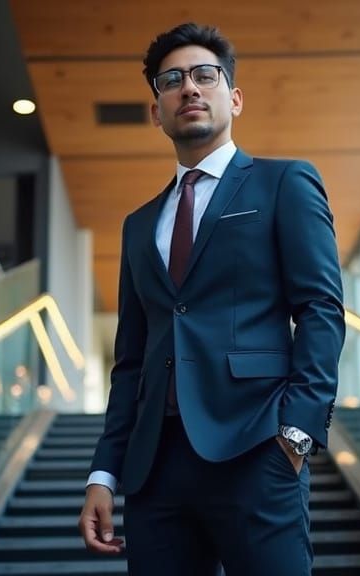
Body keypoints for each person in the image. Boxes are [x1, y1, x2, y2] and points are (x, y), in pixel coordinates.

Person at [77, 22, 345, 576]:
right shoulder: (138, 226)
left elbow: (321, 310)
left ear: (234, 97)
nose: (189, 89)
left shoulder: (284, 183)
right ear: (157, 111)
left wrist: (296, 433)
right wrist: (104, 473)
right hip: (155, 469)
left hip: (256, 448)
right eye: (171, 81)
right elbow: (130, 361)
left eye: (205, 75)